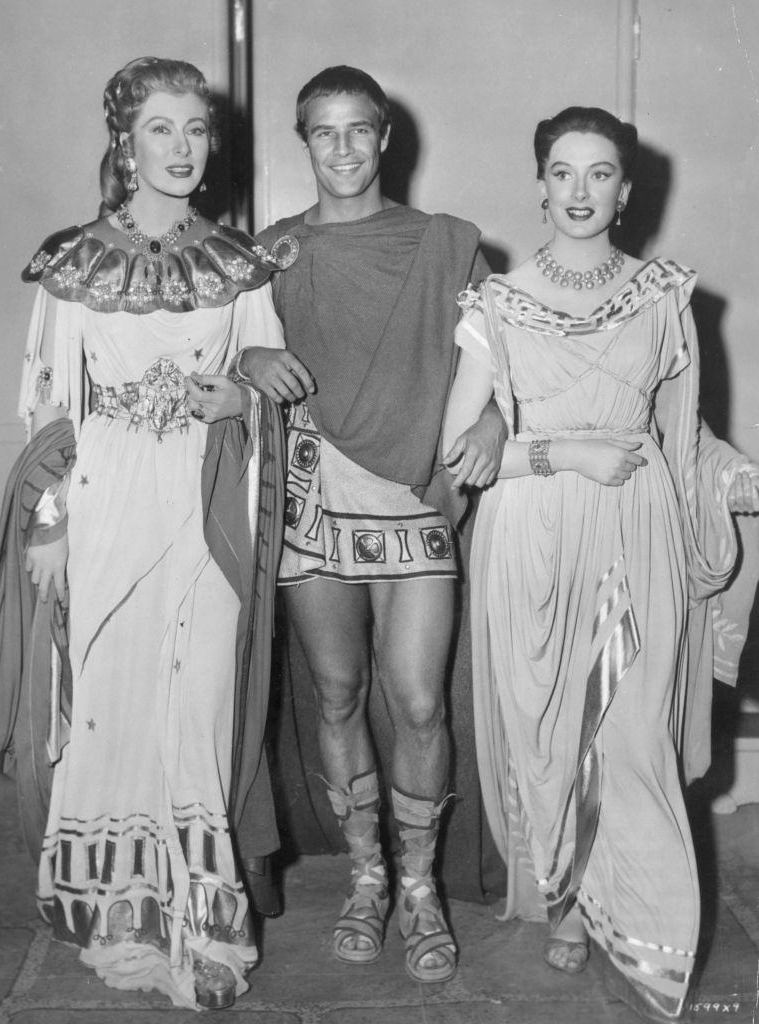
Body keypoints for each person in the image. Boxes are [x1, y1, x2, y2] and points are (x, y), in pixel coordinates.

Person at [0, 57, 296, 1010]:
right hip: (104, 500)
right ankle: (123, 910)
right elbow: (46, 407)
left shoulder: (239, 263)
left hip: (204, 507)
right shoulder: (73, 261)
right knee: (108, 704)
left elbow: (266, 375)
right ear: (123, 140)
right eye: (163, 129)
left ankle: (203, 919)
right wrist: (48, 525)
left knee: (195, 704)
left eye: (197, 130)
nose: (184, 149)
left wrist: (240, 389)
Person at [443, 106, 759, 1022]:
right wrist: (561, 454)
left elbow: (682, 434)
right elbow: (460, 451)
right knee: (548, 738)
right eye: (562, 171)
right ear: (538, 182)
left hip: (638, 528)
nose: (579, 192)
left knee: (631, 735)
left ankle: (652, 931)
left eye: (599, 173)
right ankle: (569, 901)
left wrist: (737, 475)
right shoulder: (494, 305)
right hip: (532, 529)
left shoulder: (664, 298)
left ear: (626, 189)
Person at [236, 66, 506, 983]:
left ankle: (420, 886)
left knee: (419, 700)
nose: (343, 149)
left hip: (411, 498)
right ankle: (365, 881)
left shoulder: (446, 243)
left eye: (359, 131)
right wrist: (253, 348)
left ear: (387, 137)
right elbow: (214, 349)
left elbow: (506, 359)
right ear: (302, 142)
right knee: (339, 695)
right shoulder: (267, 253)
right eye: (324, 133)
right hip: (314, 501)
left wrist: (495, 421)